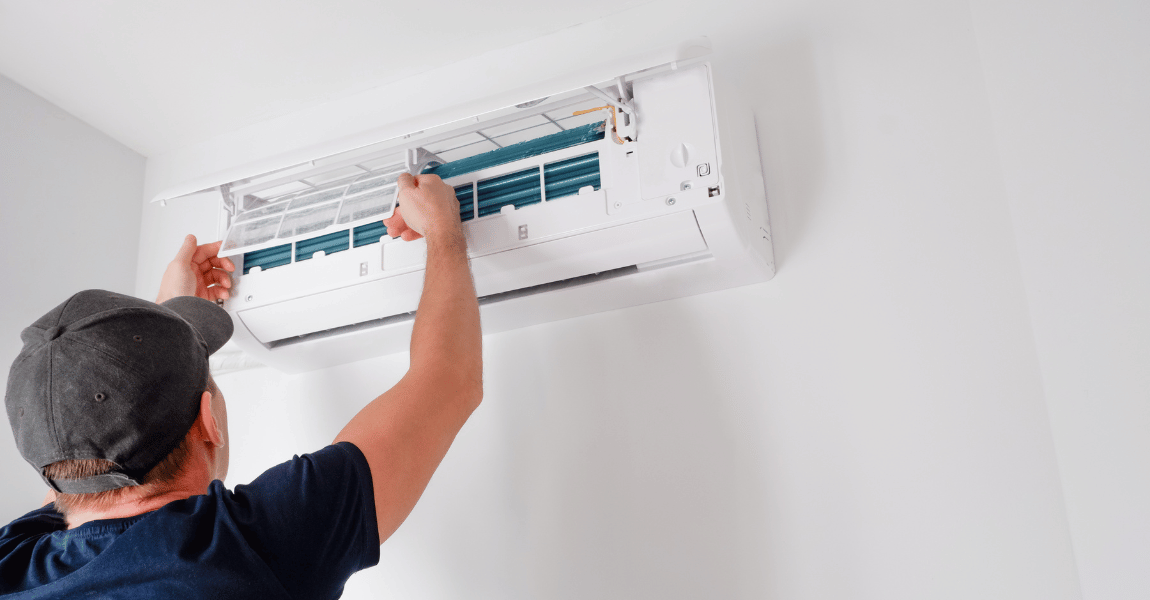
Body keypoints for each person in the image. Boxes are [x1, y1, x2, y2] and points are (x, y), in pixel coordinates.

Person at [0, 173, 482, 598]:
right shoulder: (253, 548)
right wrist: (442, 233)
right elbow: (448, 381)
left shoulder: (12, 563)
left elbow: (82, 461)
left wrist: (166, 326)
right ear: (208, 422)